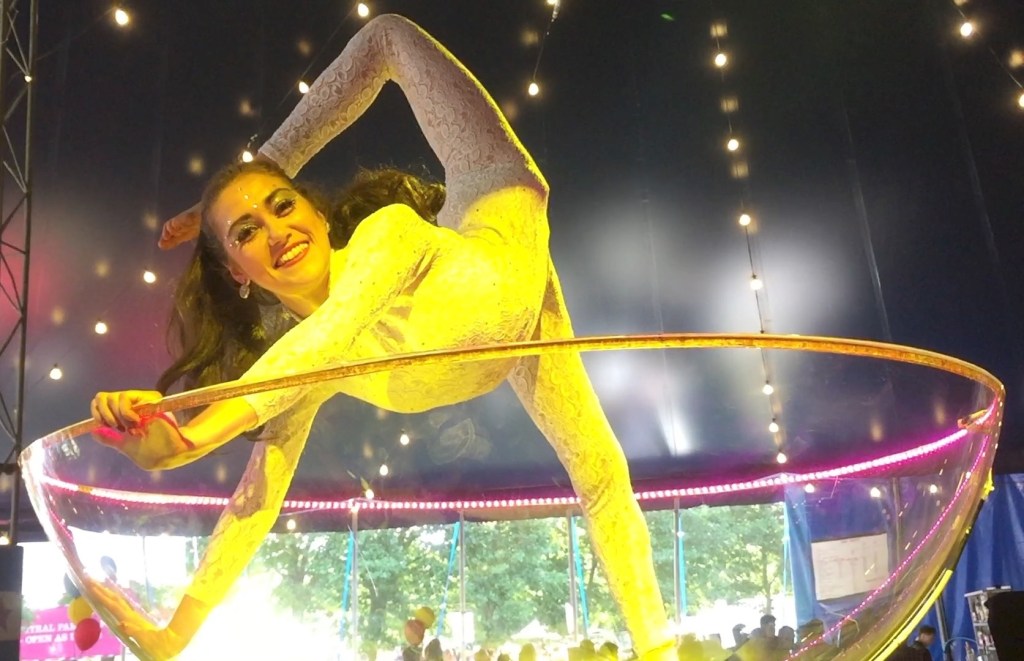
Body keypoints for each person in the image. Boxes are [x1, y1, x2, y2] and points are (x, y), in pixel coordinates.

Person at [86, 13, 672, 661]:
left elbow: (330, 334)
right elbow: (255, 501)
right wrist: (171, 635)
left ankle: (659, 647)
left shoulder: (386, 235)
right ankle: (660, 648)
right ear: (238, 273)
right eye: (247, 233)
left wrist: (188, 437)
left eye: (282, 205)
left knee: (387, 32)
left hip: (497, 193)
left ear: (315, 209)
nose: (275, 231)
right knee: (601, 469)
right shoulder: (303, 364)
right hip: (515, 325)